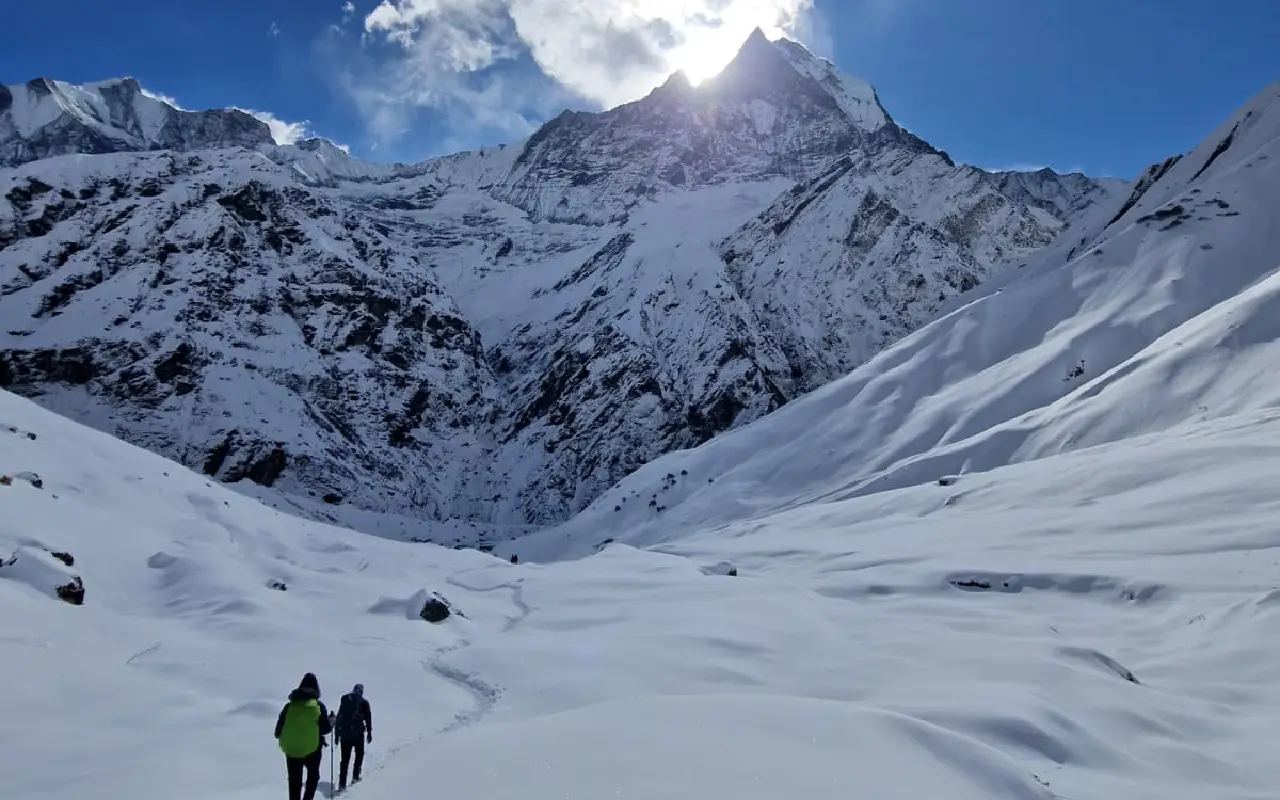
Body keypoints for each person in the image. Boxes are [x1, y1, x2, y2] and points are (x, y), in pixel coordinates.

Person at [274, 673, 332, 800]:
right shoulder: (319, 706)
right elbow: (326, 729)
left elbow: (277, 732)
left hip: (292, 749)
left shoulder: (289, 706)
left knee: (294, 781)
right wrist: (330, 721)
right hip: (313, 749)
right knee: (313, 777)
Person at [335, 683, 374, 790]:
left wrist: (337, 735)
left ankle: (342, 784)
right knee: (359, 755)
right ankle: (355, 777)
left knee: (344, 759)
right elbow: (368, 719)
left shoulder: (345, 700)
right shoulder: (364, 703)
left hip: (344, 734)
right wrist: (369, 733)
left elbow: (339, 717)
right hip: (358, 735)